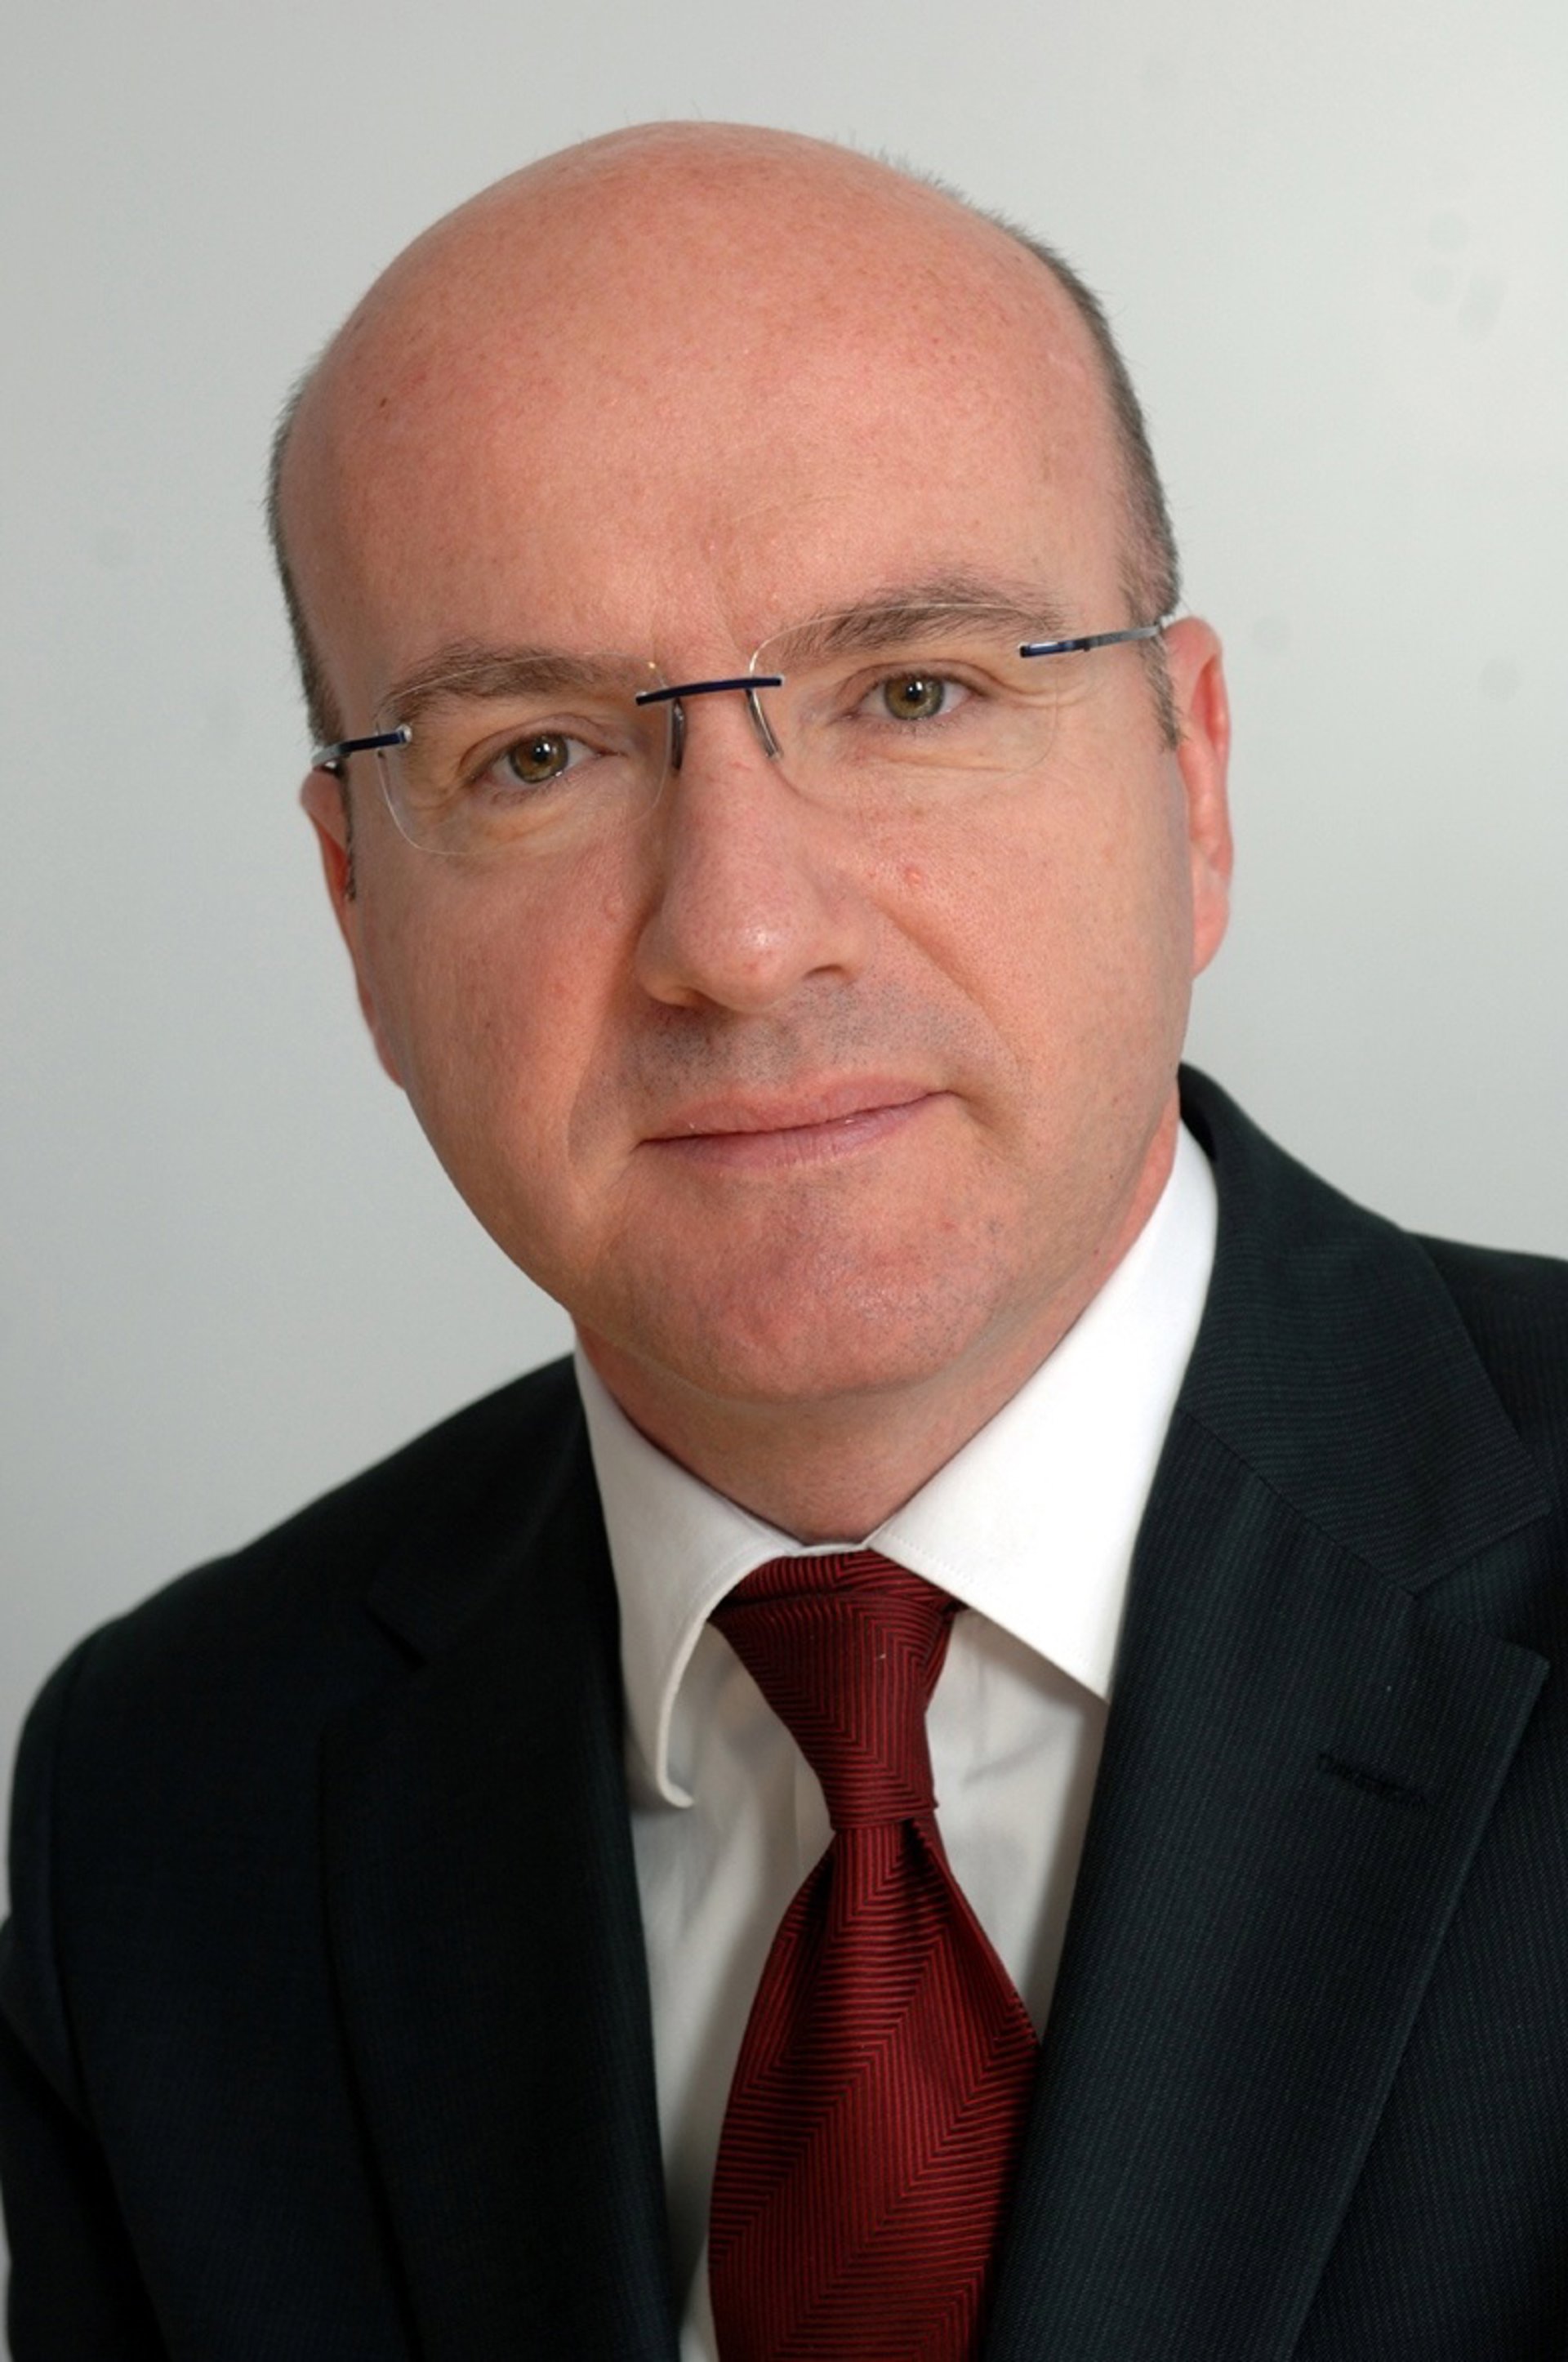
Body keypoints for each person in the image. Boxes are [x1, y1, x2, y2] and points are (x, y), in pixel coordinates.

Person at [2, 120, 1566, 2362]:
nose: (737, 938)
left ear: (1194, 776)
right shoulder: (168, 1803)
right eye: (535, 756)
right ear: (357, 908)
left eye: (914, 692)